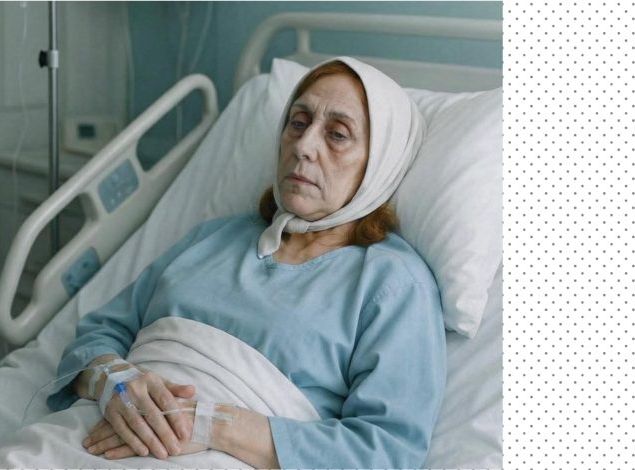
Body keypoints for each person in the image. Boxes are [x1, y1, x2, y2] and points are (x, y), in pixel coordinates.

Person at [46, 56, 446, 469]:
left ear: (380, 164)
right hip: (87, 436)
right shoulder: (212, 238)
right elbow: (101, 332)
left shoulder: (392, 284)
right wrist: (112, 382)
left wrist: (211, 425)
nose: (304, 146)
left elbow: (385, 451)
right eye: (298, 123)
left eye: (337, 135)